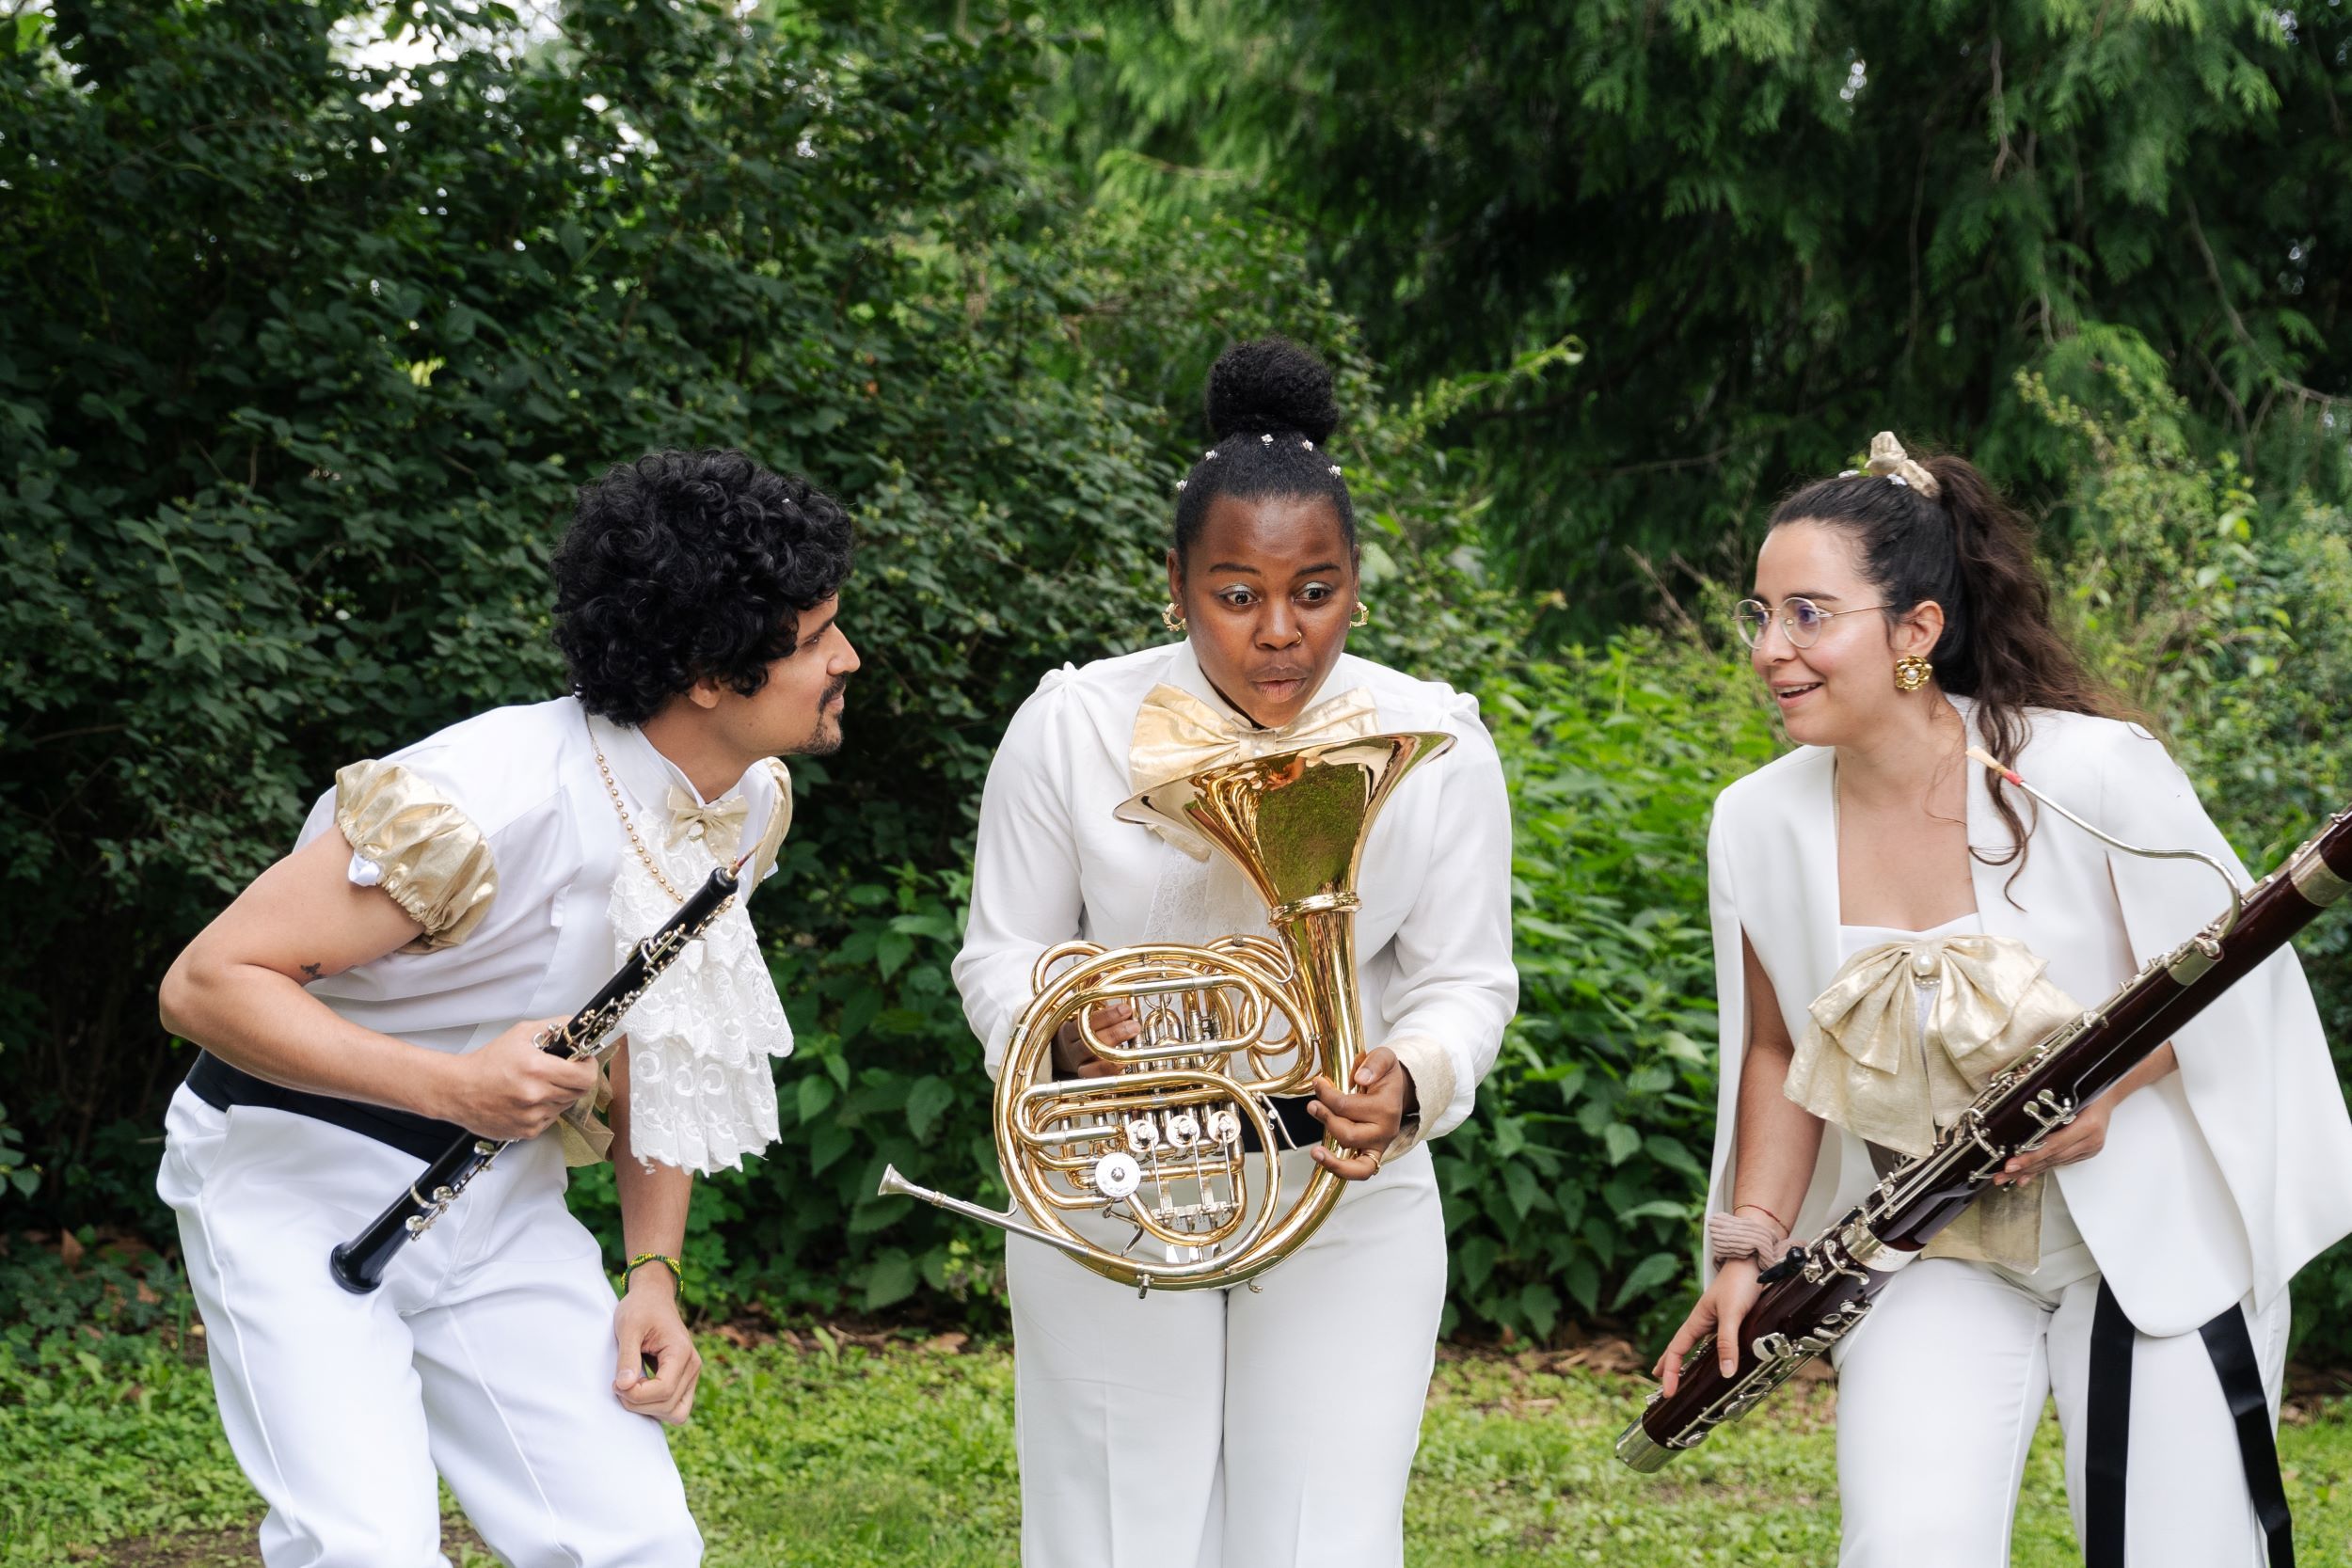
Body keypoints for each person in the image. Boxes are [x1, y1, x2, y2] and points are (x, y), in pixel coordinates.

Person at [1653, 434, 2352, 1566]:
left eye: (1808, 615)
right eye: (1761, 613)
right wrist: (1750, 1244)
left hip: (2145, 1238)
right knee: (1905, 1543)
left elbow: (2226, 970)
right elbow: (1779, 1047)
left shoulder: (2086, 772)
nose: (1769, 649)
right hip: (1928, 1245)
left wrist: (2107, 1088)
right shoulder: (1756, 820)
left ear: (1916, 632)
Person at [154, 449, 859, 1567]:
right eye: (817, 637)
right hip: (292, 1179)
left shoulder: (744, 802)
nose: (846, 658)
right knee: (364, 1552)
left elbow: (654, 1033)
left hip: (499, 1197)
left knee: (635, 1543)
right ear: (709, 673)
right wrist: (448, 1083)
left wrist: (653, 1274)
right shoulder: (483, 802)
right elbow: (206, 982)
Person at [951, 337, 1518, 1568]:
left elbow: (1469, 977)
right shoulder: (1071, 726)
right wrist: (1070, 1028)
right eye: (1236, 593)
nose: (1279, 633)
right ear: (1175, 583)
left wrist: (1410, 1075)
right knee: (1117, 1532)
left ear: (1356, 581)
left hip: (1346, 1189)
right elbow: (998, 953)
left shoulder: (1440, 740)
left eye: (1315, 591)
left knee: (1325, 1539)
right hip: (1114, 1178)